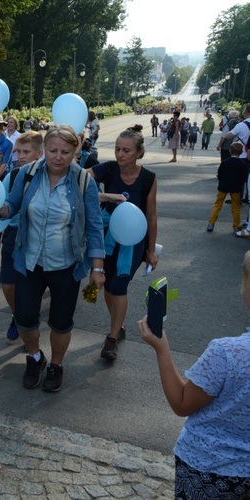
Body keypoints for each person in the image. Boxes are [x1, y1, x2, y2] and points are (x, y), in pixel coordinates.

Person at [0, 126, 105, 392]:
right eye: (53, 150)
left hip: (66, 265)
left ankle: (56, 365)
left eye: (65, 152)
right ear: (44, 150)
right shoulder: (27, 173)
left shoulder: (83, 182)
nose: (58, 157)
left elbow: (93, 226)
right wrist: (0, 209)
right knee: (24, 318)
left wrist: (97, 268)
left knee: (61, 321)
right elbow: (12, 204)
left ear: (75, 152)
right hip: (29, 262)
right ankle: (34, 357)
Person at [137, 251, 250, 499]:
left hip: (208, 470)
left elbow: (182, 402)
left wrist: (161, 347)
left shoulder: (227, 352)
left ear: (247, 290)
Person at [88, 125, 158, 361]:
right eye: (117, 149)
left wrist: (151, 250)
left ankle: (112, 337)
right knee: (107, 285)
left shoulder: (148, 178)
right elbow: (76, 180)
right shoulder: (108, 169)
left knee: (119, 285)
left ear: (139, 152)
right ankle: (119, 326)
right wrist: (104, 196)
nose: (120, 154)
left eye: (126, 150)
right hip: (106, 234)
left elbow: (151, 216)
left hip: (134, 240)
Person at [0, 131, 44, 342]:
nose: (21, 155)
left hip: (35, 236)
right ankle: (18, 315)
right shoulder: (15, 175)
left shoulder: (48, 175)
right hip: (13, 233)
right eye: (18, 151)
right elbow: (4, 201)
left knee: (30, 288)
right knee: (8, 285)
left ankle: (29, 326)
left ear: (39, 153)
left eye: (26, 151)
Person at [207, 143, 245, 234]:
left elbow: (220, 174)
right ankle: (236, 226)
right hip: (235, 187)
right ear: (241, 152)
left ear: (230, 151)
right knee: (235, 207)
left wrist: (221, 180)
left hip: (223, 186)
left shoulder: (225, 162)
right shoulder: (242, 164)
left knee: (218, 204)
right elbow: (243, 177)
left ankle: (211, 223)